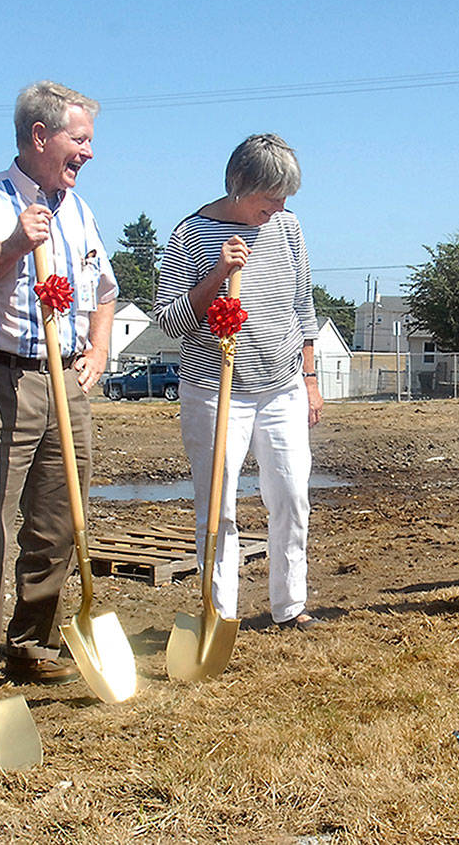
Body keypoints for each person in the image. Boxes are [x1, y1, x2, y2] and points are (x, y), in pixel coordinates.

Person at [0, 82, 117, 692]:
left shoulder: (81, 212)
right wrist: (12, 246)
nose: (88, 153)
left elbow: (105, 291)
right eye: (80, 139)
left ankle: (34, 642)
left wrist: (98, 349)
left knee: (59, 520)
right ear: (41, 136)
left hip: (64, 380)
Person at [154, 134, 324, 629]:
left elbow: (303, 307)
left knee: (291, 496)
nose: (278, 208)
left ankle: (290, 606)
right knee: (218, 506)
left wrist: (310, 379)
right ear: (239, 186)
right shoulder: (191, 234)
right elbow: (169, 321)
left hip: (282, 386)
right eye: (269, 198)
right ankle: (219, 615)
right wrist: (217, 275)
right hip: (215, 391)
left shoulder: (288, 228)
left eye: (285, 197)